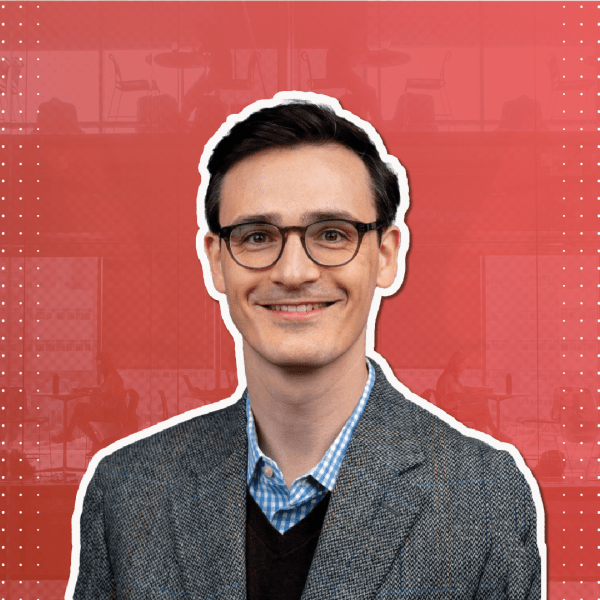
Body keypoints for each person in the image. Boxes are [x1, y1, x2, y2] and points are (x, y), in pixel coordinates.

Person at [70, 96, 542, 600]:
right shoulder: (127, 492)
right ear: (216, 261)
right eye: (256, 237)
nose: (294, 272)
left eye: (332, 234)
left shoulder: (482, 497)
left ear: (386, 255)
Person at [51, 351, 127, 457]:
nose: (98, 368)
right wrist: (91, 390)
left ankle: (68, 434)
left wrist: (92, 393)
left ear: (105, 364)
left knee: (78, 407)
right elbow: (106, 392)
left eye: (100, 365)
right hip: (109, 410)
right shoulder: (111, 377)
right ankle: (96, 444)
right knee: (78, 419)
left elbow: (110, 396)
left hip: (111, 412)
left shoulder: (112, 377)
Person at [436, 350, 512, 443]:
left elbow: (464, 389)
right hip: (451, 412)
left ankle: (478, 442)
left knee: (482, 418)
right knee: (483, 407)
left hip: (454, 410)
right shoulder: (448, 377)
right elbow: (453, 396)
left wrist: (480, 389)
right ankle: (496, 434)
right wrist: (470, 394)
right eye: (464, 364)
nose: (465, 367)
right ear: (458, 364)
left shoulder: (452, 376)